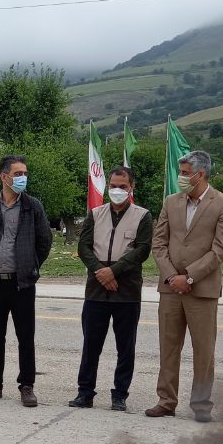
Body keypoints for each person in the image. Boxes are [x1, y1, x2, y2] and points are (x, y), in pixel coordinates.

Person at [146, 151, 223, 422]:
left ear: (201, 174)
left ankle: (201, 403)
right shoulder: (171, 202)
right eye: (181, 172)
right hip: (170, 288)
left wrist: (189, 277)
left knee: (204, 350)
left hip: (202, 290)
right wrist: (172, 276)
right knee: (169, 346)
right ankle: (166, 400)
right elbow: (159, 243)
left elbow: (220, 249)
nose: (181, 177)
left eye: (186, 173)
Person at [69, 167, 152, 412]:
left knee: (125, 346)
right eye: (113, 186)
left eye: (122, 186)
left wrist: (114, 271)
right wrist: (100, 272)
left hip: (127, 289)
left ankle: (120, 394)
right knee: (91, 344)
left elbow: (143, 250)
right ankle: (85, 393)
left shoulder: (142, 216)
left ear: (131, 188)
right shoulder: (95, 214)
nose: (117, 191)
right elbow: (84, 247)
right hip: (96, 288)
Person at [0, 155, 52, 407]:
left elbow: (44, 241)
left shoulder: (33, 206)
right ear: (3, 177)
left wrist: (30, 265)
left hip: (23, 284)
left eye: (24, 173)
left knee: (25, 337)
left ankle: (26, 385)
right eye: (17, 174)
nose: (22, 178)